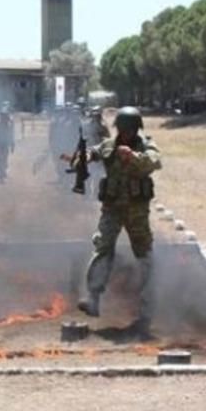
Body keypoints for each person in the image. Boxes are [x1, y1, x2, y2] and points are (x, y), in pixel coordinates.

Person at [74, 106, 161, 338]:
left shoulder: (146, 146)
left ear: (136, 129)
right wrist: (80, 159)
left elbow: (153, 161)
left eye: (130, 129)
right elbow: (92, 153)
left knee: (144, 256)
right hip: (112, 209)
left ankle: (146, 307)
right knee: (102, 246)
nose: (126, 133)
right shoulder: (109, 146)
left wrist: (133, 156)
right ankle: (93, 296)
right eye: (122, 129)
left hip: (136, 212)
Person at [0, 102, 15, 182]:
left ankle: (2, 173)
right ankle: (0, 172)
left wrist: (12, 144)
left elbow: (11, 135)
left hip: (4, 144)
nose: (3, 117)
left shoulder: (9, 125)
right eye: (2, 115)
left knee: (4, 159)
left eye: (5, 115)